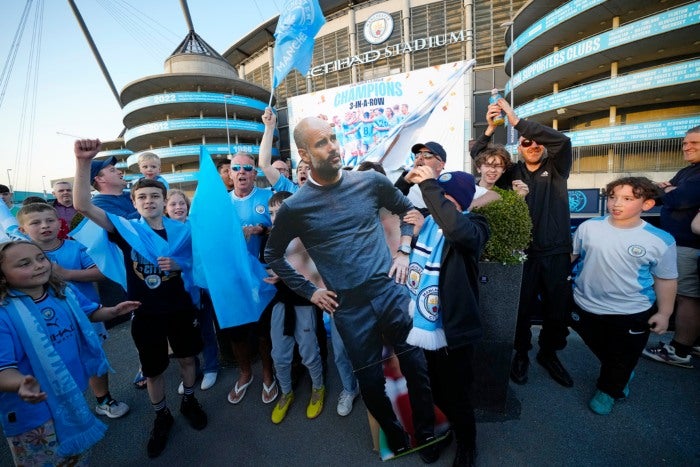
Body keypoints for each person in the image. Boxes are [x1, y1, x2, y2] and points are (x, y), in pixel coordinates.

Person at [265, 116, 438, 460]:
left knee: (415, 366)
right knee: (370, 382)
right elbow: (273, 254)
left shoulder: (371, 181)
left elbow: (410, 212)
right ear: (304, 153)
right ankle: (395, 435)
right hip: (348, 306)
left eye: (333, 138)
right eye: (321, 143)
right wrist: (311, 291)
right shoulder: (296, 207)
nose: (333, 148)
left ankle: (426, 432)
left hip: (389, 290)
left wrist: (403, 250)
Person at [73, 139, 208, 458]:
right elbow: (82, 205)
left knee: (188, 359)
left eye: (155, 196)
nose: (149, 201)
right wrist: (82, 163)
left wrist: (181, 263)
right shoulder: (125, 229)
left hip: (180, 307)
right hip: (144, 312)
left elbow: (202, 264)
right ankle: (162, 415)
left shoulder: (183, 231)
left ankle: (189, 399)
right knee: (153, 370)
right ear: (134, 203)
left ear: (164, 201)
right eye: (142, 197)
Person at [0, 240, 139, 466]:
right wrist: (20, 383)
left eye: (40, 258)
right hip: (32, 411)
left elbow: (90, 313)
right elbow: (3, 369)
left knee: (77, 457)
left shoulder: (61, 291)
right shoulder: (3, 315)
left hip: (70, 391)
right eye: (24, 264)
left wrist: (111, 312)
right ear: (3, 275)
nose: (38, 265)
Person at [471, 98, 574, 388]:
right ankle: (521, 353)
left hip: (555, 251)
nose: (532, 146)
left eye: (536, 142)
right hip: (522, 253)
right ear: (519, 148)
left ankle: (550, 353)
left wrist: (517, 123)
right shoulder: (510, 172)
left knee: (558, 309)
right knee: (521, 308)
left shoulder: (557, 166)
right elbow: (481, 157)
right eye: (526, 143)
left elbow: (562, 141)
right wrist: (490, 129)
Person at [402, 168, 489, 466]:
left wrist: (429, 185)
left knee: (458, 393)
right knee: (434, 388)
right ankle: (444, 430)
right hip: (423, 323)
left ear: (462, 204)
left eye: (446, 199)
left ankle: (468, 445)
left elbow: (456, 230)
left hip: (454, 329)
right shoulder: (427, 224)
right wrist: (411, 236)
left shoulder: (475, 225)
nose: (438, 205)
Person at [571, 177, 677, 414]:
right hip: (585, 305)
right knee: (609, 353)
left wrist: (664, 312)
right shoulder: (589, 227)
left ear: (647, 204)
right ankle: (621, 370)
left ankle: (609, 390)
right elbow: (571, 255)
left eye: (628, 199)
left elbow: (666, 279)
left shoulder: (660, 240)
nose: (616, 203)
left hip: (632, 311)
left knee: (621, 357)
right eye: (612, 197)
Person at [16, 203, 130, 419]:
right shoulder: (19, 257)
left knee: (93, 356)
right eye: (36, 223)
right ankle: (65, 409)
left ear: (60, 223)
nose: (44, 226)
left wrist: (65, 274)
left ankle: (103, 399)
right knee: (53, 364)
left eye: (50, 220)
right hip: (46, 324)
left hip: (87, 314)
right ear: (22, 230)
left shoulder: (75, 247)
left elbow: (101, 272)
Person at [643, 126, 700, 368]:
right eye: (685, 142)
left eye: (694, 143)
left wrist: (668, 190)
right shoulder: (689, 171)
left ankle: (680, 350)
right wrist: (668, 189)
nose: (687, 147)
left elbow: (675, 198)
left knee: (688, 298)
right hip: (680, 243)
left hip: (689, 246)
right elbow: (664, 191)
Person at [265, 191, 325, 424]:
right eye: (271, 213)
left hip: (305, 304)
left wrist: (290, 274)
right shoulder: (271, 239)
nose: (274, 217)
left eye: (279, 212)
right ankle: (286, 392)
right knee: (278, 354)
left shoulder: (310, 237)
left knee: (309, 352)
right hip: (282, 303)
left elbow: (319, 273)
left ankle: (318, 388)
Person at [224, 152, 277, 406]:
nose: (242, 172)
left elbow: (286, 229)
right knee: (236, 331)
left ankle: (268, 373)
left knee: (263, 331)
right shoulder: (221, 204)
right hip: (232, 279)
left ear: (255, 172)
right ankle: (245, 372)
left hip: (263, 278)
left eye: (248, 167)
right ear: (230, 173)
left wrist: (263, 229)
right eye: (237, 168)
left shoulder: (267, 198)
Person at [165, 190, 219, 393]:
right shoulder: (161, 230)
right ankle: (192, 369)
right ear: (166, 208)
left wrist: (182, 264)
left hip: (198, 288)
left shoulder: (196, 227)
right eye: (173, 204)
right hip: (174, 291)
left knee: (205, 328)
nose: (178, 207)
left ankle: (211, 366)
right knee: (183, 333)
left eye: (182, 204)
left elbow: (205, 256)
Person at [395, 142, 499, 216]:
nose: (420, 158)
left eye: (427, 155)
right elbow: (388, 203)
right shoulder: (404, 180)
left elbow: (494, 195)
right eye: (417, 154)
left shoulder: (448, 182)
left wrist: (466, 208)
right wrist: (405, 182)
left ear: (440, 165)